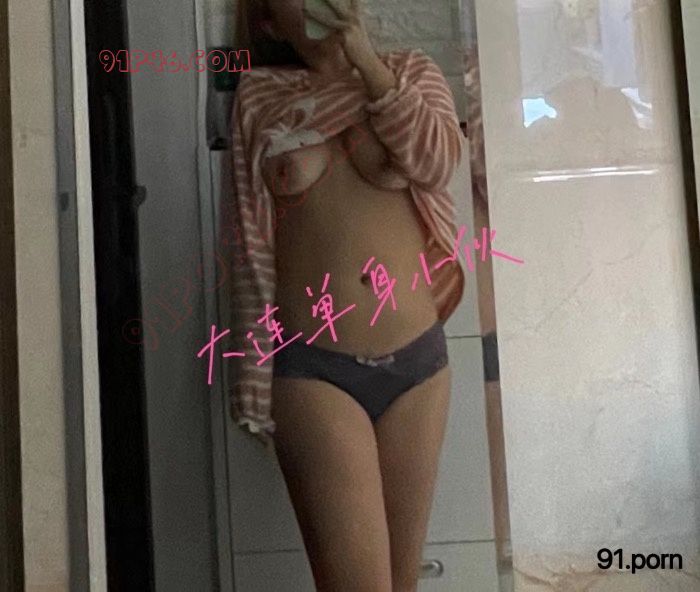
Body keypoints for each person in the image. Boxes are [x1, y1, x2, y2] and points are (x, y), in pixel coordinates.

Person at [224, 1, 467, 589]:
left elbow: (438, 162)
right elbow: (249, 241)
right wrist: (251, 371)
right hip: (315, 370)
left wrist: (367, 62)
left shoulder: (410, 72)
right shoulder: (260, 96)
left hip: (419, 364)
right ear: (269, 21)